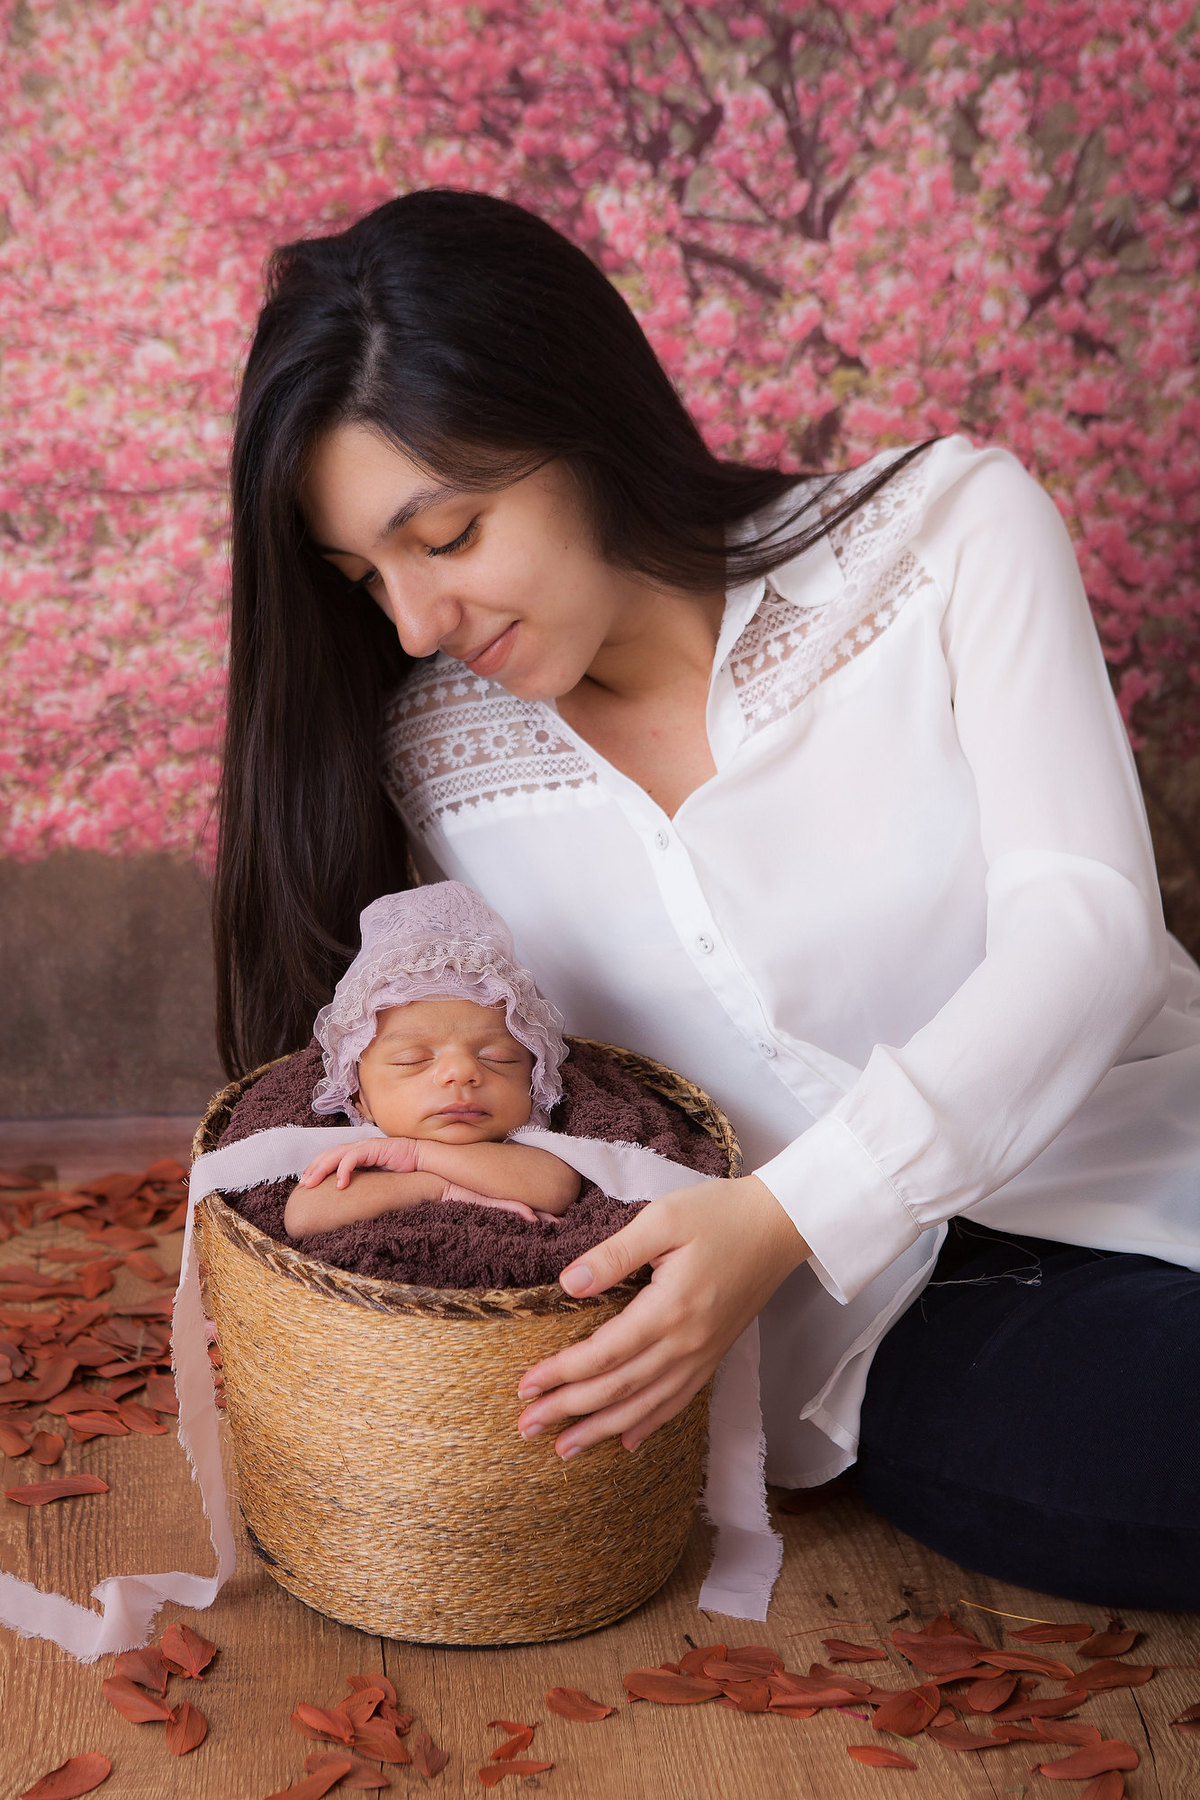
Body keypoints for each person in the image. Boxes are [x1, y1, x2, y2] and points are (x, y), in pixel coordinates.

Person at [214, 188, 1200, 1609]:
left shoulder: (947, 539)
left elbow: (1090, 936)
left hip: (1155, 1150)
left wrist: (792, 1209)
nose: (418, 623)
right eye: (365, 577)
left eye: (451, 533)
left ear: (582, 418)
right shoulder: (432, 763)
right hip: (902, 1324)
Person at [283, 882, 581, 1237]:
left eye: (497, 1058)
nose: (461, 1072)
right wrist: (437, 1188)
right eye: (412, 1060)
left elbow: (557, 1188)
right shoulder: (368, 1151)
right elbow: (304, 1215)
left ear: (534, 1079)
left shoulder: (521, 1145)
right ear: (359, 1096)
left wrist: (419, 1156)